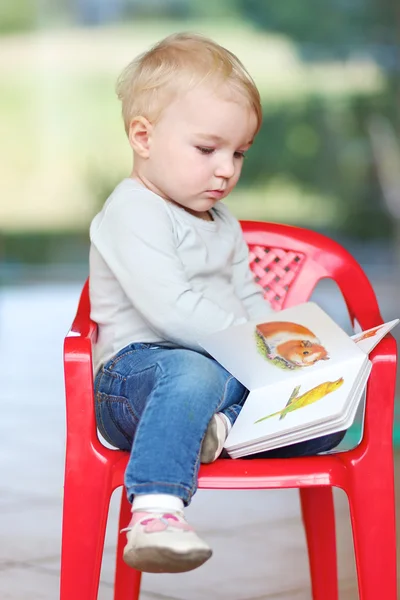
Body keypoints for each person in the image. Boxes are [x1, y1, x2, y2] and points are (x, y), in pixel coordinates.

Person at [89, 32, 345, 575]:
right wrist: (254, 347)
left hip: (217, 369)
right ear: (143, 136)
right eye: (208, 149)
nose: (226, 169)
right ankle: (156, 510)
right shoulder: (134, 210)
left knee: (323, 417)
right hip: (138, 380)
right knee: (192, 372)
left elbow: (248, 297)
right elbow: (172, 310)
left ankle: (221, 429)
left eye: (239, 153)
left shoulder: (220, 223)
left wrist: (289, 350)